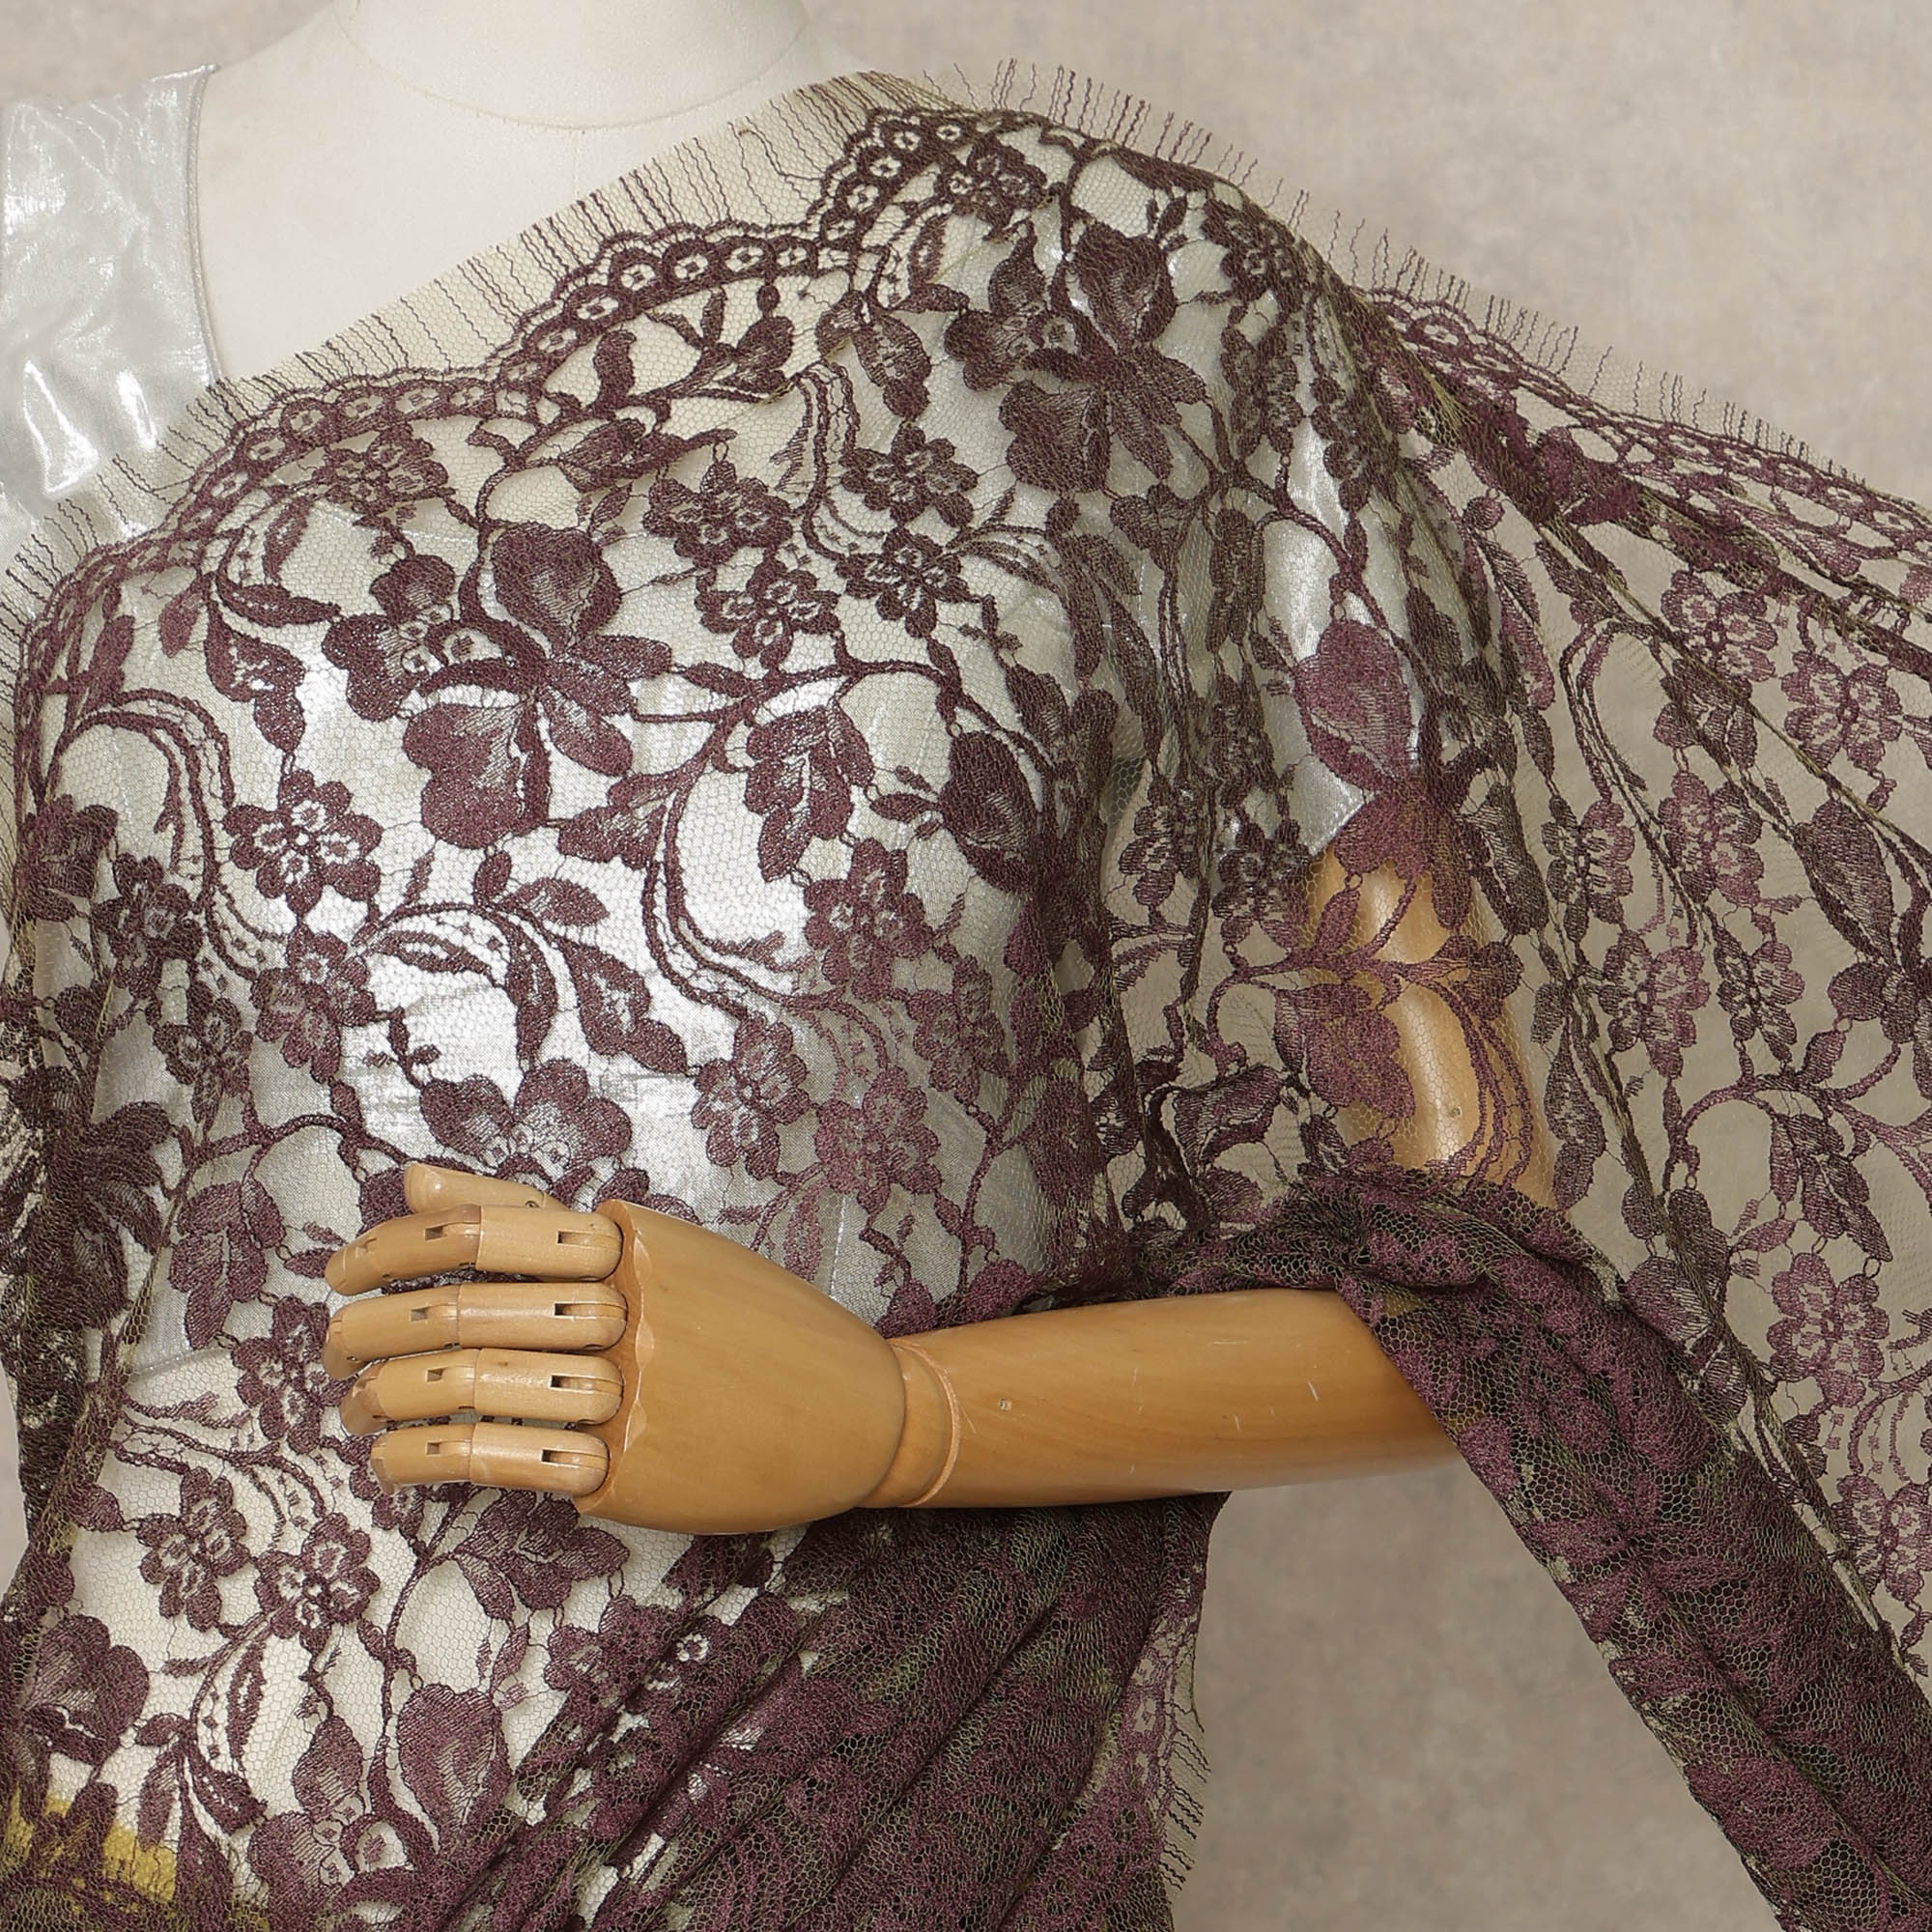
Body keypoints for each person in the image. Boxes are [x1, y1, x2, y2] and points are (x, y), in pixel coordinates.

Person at [0, 6, 1929, 1927]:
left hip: (815, 1810)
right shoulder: (52, 257)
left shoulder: (1143, 313)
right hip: (119, 1807)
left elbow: (1484, 1282)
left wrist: (896, 1417)